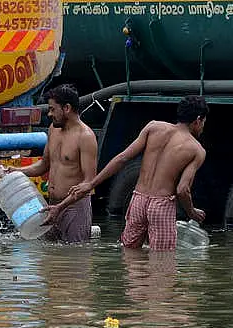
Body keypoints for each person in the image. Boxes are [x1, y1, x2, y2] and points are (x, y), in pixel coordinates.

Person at [69, 95, 208, 251]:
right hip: (161, 205)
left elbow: (122, 158)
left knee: (130, 252)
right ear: (198, 119)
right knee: (162, 261)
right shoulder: (197, 150)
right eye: (203, 122)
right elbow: (182, 189)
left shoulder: (153, 127)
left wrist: (91, 184)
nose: (202, 127)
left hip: (138, 200)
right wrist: (192, 212)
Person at [7, 84, 97, 243]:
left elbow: (88, 183)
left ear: (67, 108)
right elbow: (43, 165)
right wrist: (16, 171)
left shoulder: (86, 137)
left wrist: (61, 207)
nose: (49, 114)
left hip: (74, 209)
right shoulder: (53, 129)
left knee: (76, 257)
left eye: (52, 109)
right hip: (50, 205)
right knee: (51, 261)